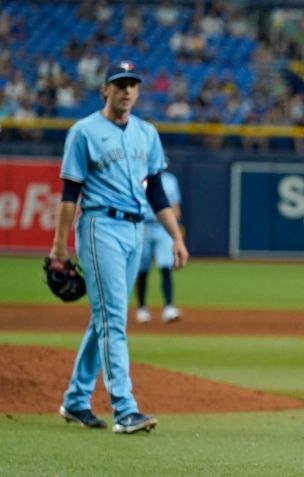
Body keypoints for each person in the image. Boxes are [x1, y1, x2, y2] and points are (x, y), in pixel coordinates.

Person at [49, 60, 189, 434]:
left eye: (132, 84)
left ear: (138, 91)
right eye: (119, 83)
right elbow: (69, 192)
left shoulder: (147, 133)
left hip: (135, 230)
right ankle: (125, 409)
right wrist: (59, 246)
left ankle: (77, 399)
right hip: (99, 226)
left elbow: (156, 191)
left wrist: (175, 237)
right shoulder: (83, 132)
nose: (127, 90)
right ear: (105, 90)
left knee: (105, 319)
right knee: (114, 319)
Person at [136, 170, 183, 324]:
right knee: (142, 269)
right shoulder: (139, 176)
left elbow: (175, 207)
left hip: (163, 228)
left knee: (165, 266)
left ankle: (169, 307)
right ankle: (142, 308)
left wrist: (174, 228)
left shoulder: (170, 180)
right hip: (144, 226)